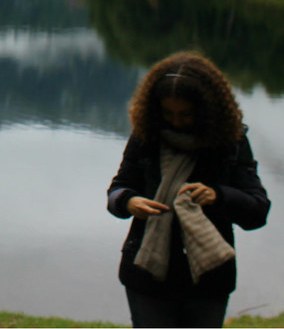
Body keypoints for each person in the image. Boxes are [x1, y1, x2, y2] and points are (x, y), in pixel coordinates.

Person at [107, 52, 270, 328]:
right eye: (168, 114)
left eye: (185, 115)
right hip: (146, 276)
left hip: (208, 281)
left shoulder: (232, 143)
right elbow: (118, 190)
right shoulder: (146, 137)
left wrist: (218, 196)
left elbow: (257, 212)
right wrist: (129, 202)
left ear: (207, 110)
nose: (176, 121)